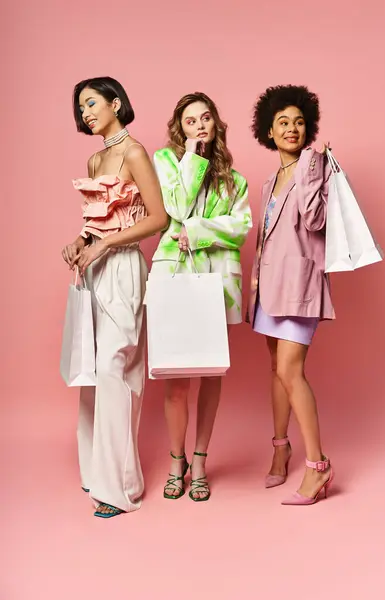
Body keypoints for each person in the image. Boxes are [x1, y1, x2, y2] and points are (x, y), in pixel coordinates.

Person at [61, 76, 167, 518]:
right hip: (95, 270)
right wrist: (81, 241)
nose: (86, 112)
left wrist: (107, 243)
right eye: (80, 107)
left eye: (91, 103)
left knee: (115, 370)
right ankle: (96, 475)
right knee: (91, 373)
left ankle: (122, 488)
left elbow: (158, 218)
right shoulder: (95, 159)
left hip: (124, 268)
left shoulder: (135, 152)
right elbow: (95, 221)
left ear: (115, 102)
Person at [151, 92, 252, 502]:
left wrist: (197, 230)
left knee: (211, 372)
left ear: (216, 123)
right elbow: (175, 205)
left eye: (206, 118)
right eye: (190, 121)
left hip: (217, 280)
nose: (200, 126)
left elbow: (241, 225)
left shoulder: (236, 178)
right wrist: (192, 158)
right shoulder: (165, 161)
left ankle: (201, 461)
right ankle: (177, 461)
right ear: (181, 129)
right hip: (174, 274)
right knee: (176, 380)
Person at [247, 84, 335, 505]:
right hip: (269, 286)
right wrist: (254, 280)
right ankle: (280, 449)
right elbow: (266, 234)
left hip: (299, 284)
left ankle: (317, 467)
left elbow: (316, 222)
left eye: (299, 122)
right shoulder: (270, 178)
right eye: (283, 122)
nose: (292, 128)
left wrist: (312, 171)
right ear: (268, 129)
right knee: (275, 370)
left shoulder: (311, 167)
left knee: (290, 370)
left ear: (309, 127)